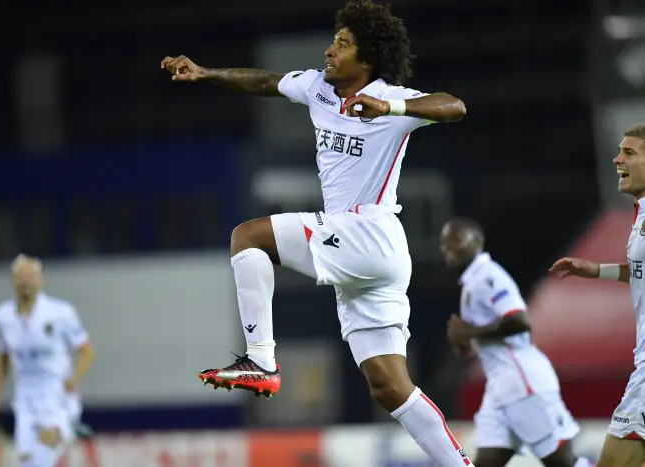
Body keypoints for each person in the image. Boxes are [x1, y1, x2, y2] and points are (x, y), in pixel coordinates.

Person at [161, 1, 472, 465]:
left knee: (248, 236)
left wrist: (390, 105)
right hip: (369, 258)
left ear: (367, 60)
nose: (329, 51)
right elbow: (265, 82)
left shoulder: (390, 98)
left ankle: (261, 360)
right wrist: (206, 73)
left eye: (343, 45)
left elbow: (455, 107)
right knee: (391, 388)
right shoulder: (318, 87)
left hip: (366, 231)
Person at [440, 218, 593, 467]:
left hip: (522, 381)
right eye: (444, 243)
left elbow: (520, 321)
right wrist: (462, 339)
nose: (448, 247)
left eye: (456, 239)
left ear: (478, 242)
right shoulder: (470, 283)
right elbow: (474, 343)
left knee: (561, 462)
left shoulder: (488, 276)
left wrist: (471, 331)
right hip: (499, 387)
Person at [549, 123, 645, 467]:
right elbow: (640, 274)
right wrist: (593, 270)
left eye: (630, 153)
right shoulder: (640, 215)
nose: (617, 159)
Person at [0, 254, 95, 467]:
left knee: (46, 445)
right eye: (21, 276)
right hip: (25, 397)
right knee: (29, 462)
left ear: (41, 280)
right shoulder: (3, 316)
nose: (25, 281)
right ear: (12, 281)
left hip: (56, 392)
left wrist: (74, 378)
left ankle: (68, 423)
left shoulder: (61, 312)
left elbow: (88, 352)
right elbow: (3, 357)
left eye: (31, 276)